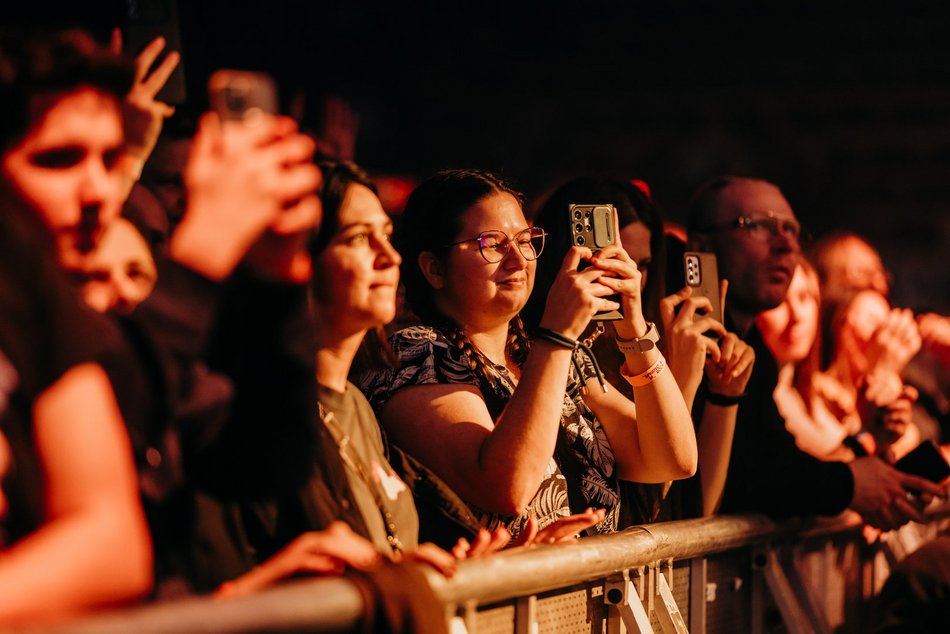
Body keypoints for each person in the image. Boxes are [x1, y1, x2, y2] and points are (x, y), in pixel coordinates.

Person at [359, 169, 697, 547]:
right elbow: (507, 486)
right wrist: (557, 335)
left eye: (525, 240)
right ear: (434, 268)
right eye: (492, 243)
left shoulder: (552, 356)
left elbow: (673, 459)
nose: (518, 260)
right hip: (500, 603)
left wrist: (633, 326)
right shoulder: (412, 354)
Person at [686, 176, 944, 529]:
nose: (784, 245)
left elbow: (778, 460)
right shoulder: (687, 338)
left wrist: (866, 451)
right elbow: (747, 479)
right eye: (757, 226)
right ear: (701, 245)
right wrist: (851, 483)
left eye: (791, 230)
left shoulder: (752, 347)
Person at [528, 176, 754, 520]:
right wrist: (680, 380)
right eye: (615, 258)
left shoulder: (638, 340)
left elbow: (696, 509)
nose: (629, 276)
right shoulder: (560, 353)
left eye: (642, 264)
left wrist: (725, 396)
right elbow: (651, 504)